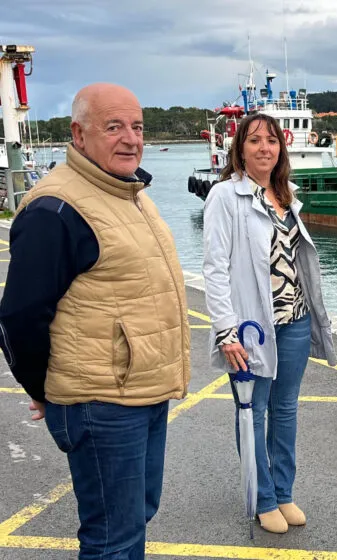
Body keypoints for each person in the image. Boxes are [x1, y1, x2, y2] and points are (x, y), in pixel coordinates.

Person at [0, 83, 191, 559]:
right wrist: (47, 390)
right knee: (112, 536)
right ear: (79, 134)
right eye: (114, 127)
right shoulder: (56, 208)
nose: (131, 138)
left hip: (143, 391)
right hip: (102, 402)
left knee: (133, 518)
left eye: (138, 127)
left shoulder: (129, 193)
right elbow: (19, 318)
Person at [203, 112, 337, 534]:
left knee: (285, 410)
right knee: (252, 411)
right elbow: (215, 269)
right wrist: (226, 331)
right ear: (240, 148)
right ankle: (262, 499)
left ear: (282, 148)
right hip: (250, 328)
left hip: (294, 322)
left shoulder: (287, 196)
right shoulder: (225, 197)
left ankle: (283, 492)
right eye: (255, 140)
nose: (265, 147)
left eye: (272, 140)